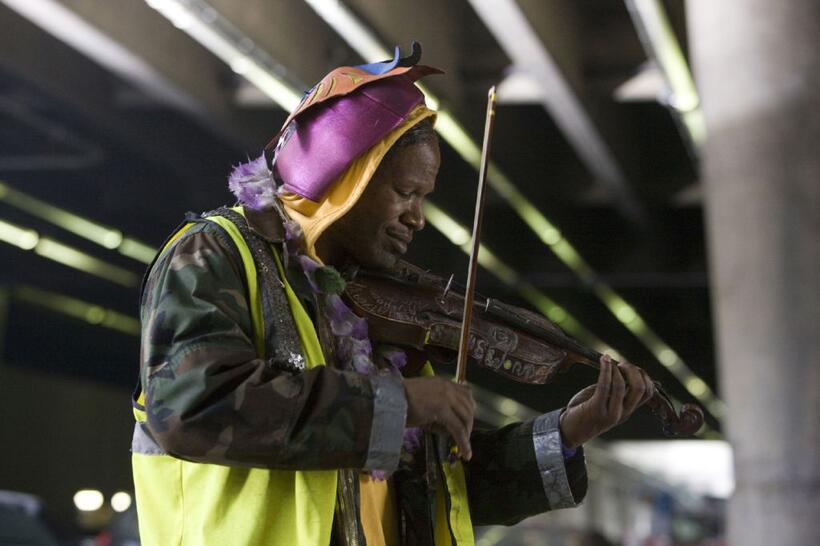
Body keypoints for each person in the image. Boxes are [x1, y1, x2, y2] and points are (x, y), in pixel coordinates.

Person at [130, 44, 655, 546]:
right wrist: (397, 403)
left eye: (422, 198)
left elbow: (431, 490)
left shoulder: (373, 311)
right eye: (405, 193)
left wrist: (564, 433)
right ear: (345, 176)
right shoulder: (214, 255)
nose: (417, 218)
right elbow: (190, 409)